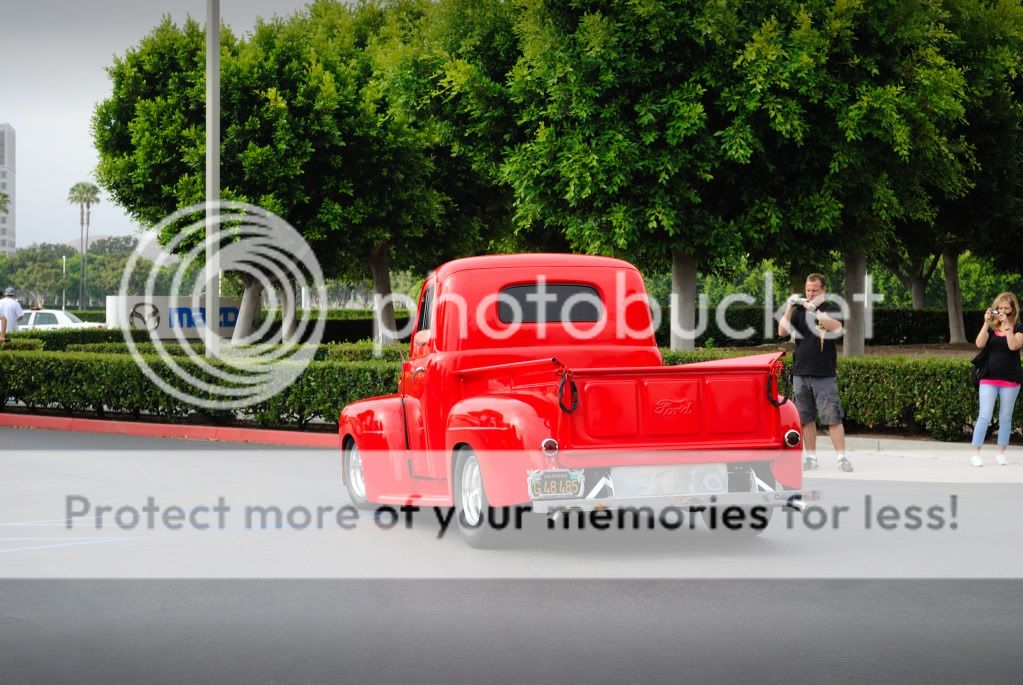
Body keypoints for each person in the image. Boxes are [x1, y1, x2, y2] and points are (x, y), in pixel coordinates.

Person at [778, 273, 853, 472]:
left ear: (823, 291)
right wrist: (789, 307)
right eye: (808, 290)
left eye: (814, 290)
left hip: (824, 372)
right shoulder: (799, 311)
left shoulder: (831, 308)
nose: (810, 294)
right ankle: (811, 457)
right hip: (801, 371)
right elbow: (782, 332)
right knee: (806, 418)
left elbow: (836, 327)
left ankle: (841, 458)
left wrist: (816, 311)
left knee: (832, 417)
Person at [969, 292, 1023, 466]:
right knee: (984, 415)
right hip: (988, 378)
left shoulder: (1019, 328)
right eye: (999, 308)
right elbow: (979, 343)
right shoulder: (992, 328)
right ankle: (976, 453)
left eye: (1006, 308)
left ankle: (1001, 453)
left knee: (1006, 417)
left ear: (1013, 310)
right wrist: (986, 324)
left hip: (1010, 380)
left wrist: (1007, 327)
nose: (1002, 311)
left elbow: (1013, 345)